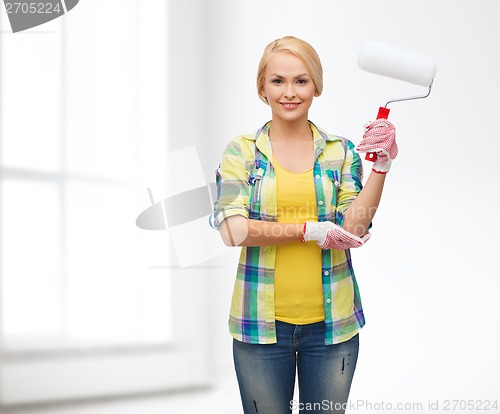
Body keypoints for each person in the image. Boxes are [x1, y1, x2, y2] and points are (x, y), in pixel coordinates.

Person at [210, 36, 397, 414]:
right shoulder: (241, 152)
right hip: (260, 329)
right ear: (262, 87)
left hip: (333, 330)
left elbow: (354, 228)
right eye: (278, 81)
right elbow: (232, 230)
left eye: (301, 80)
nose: (290, 92)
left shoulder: (340, 152)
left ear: (316, 86)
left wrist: (381, 167)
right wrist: (308, 231)